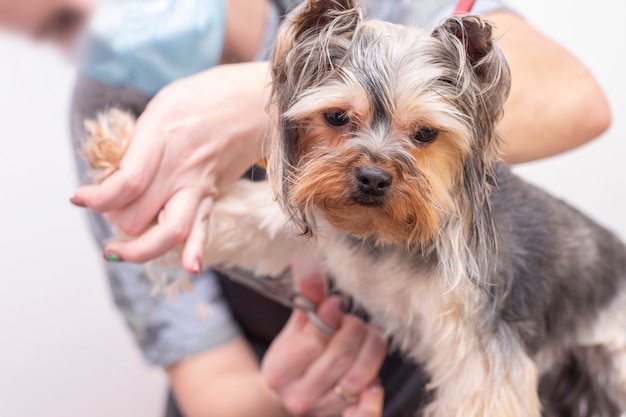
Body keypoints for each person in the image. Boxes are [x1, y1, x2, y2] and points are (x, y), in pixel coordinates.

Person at [0, 0, 612, 416]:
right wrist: (283, 398)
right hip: (293, 378)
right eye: (60, 25)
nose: (99, 27)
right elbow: (210, 381)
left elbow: (579, 100)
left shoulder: (349, 20)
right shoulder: (108, 100)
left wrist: (259, 99)